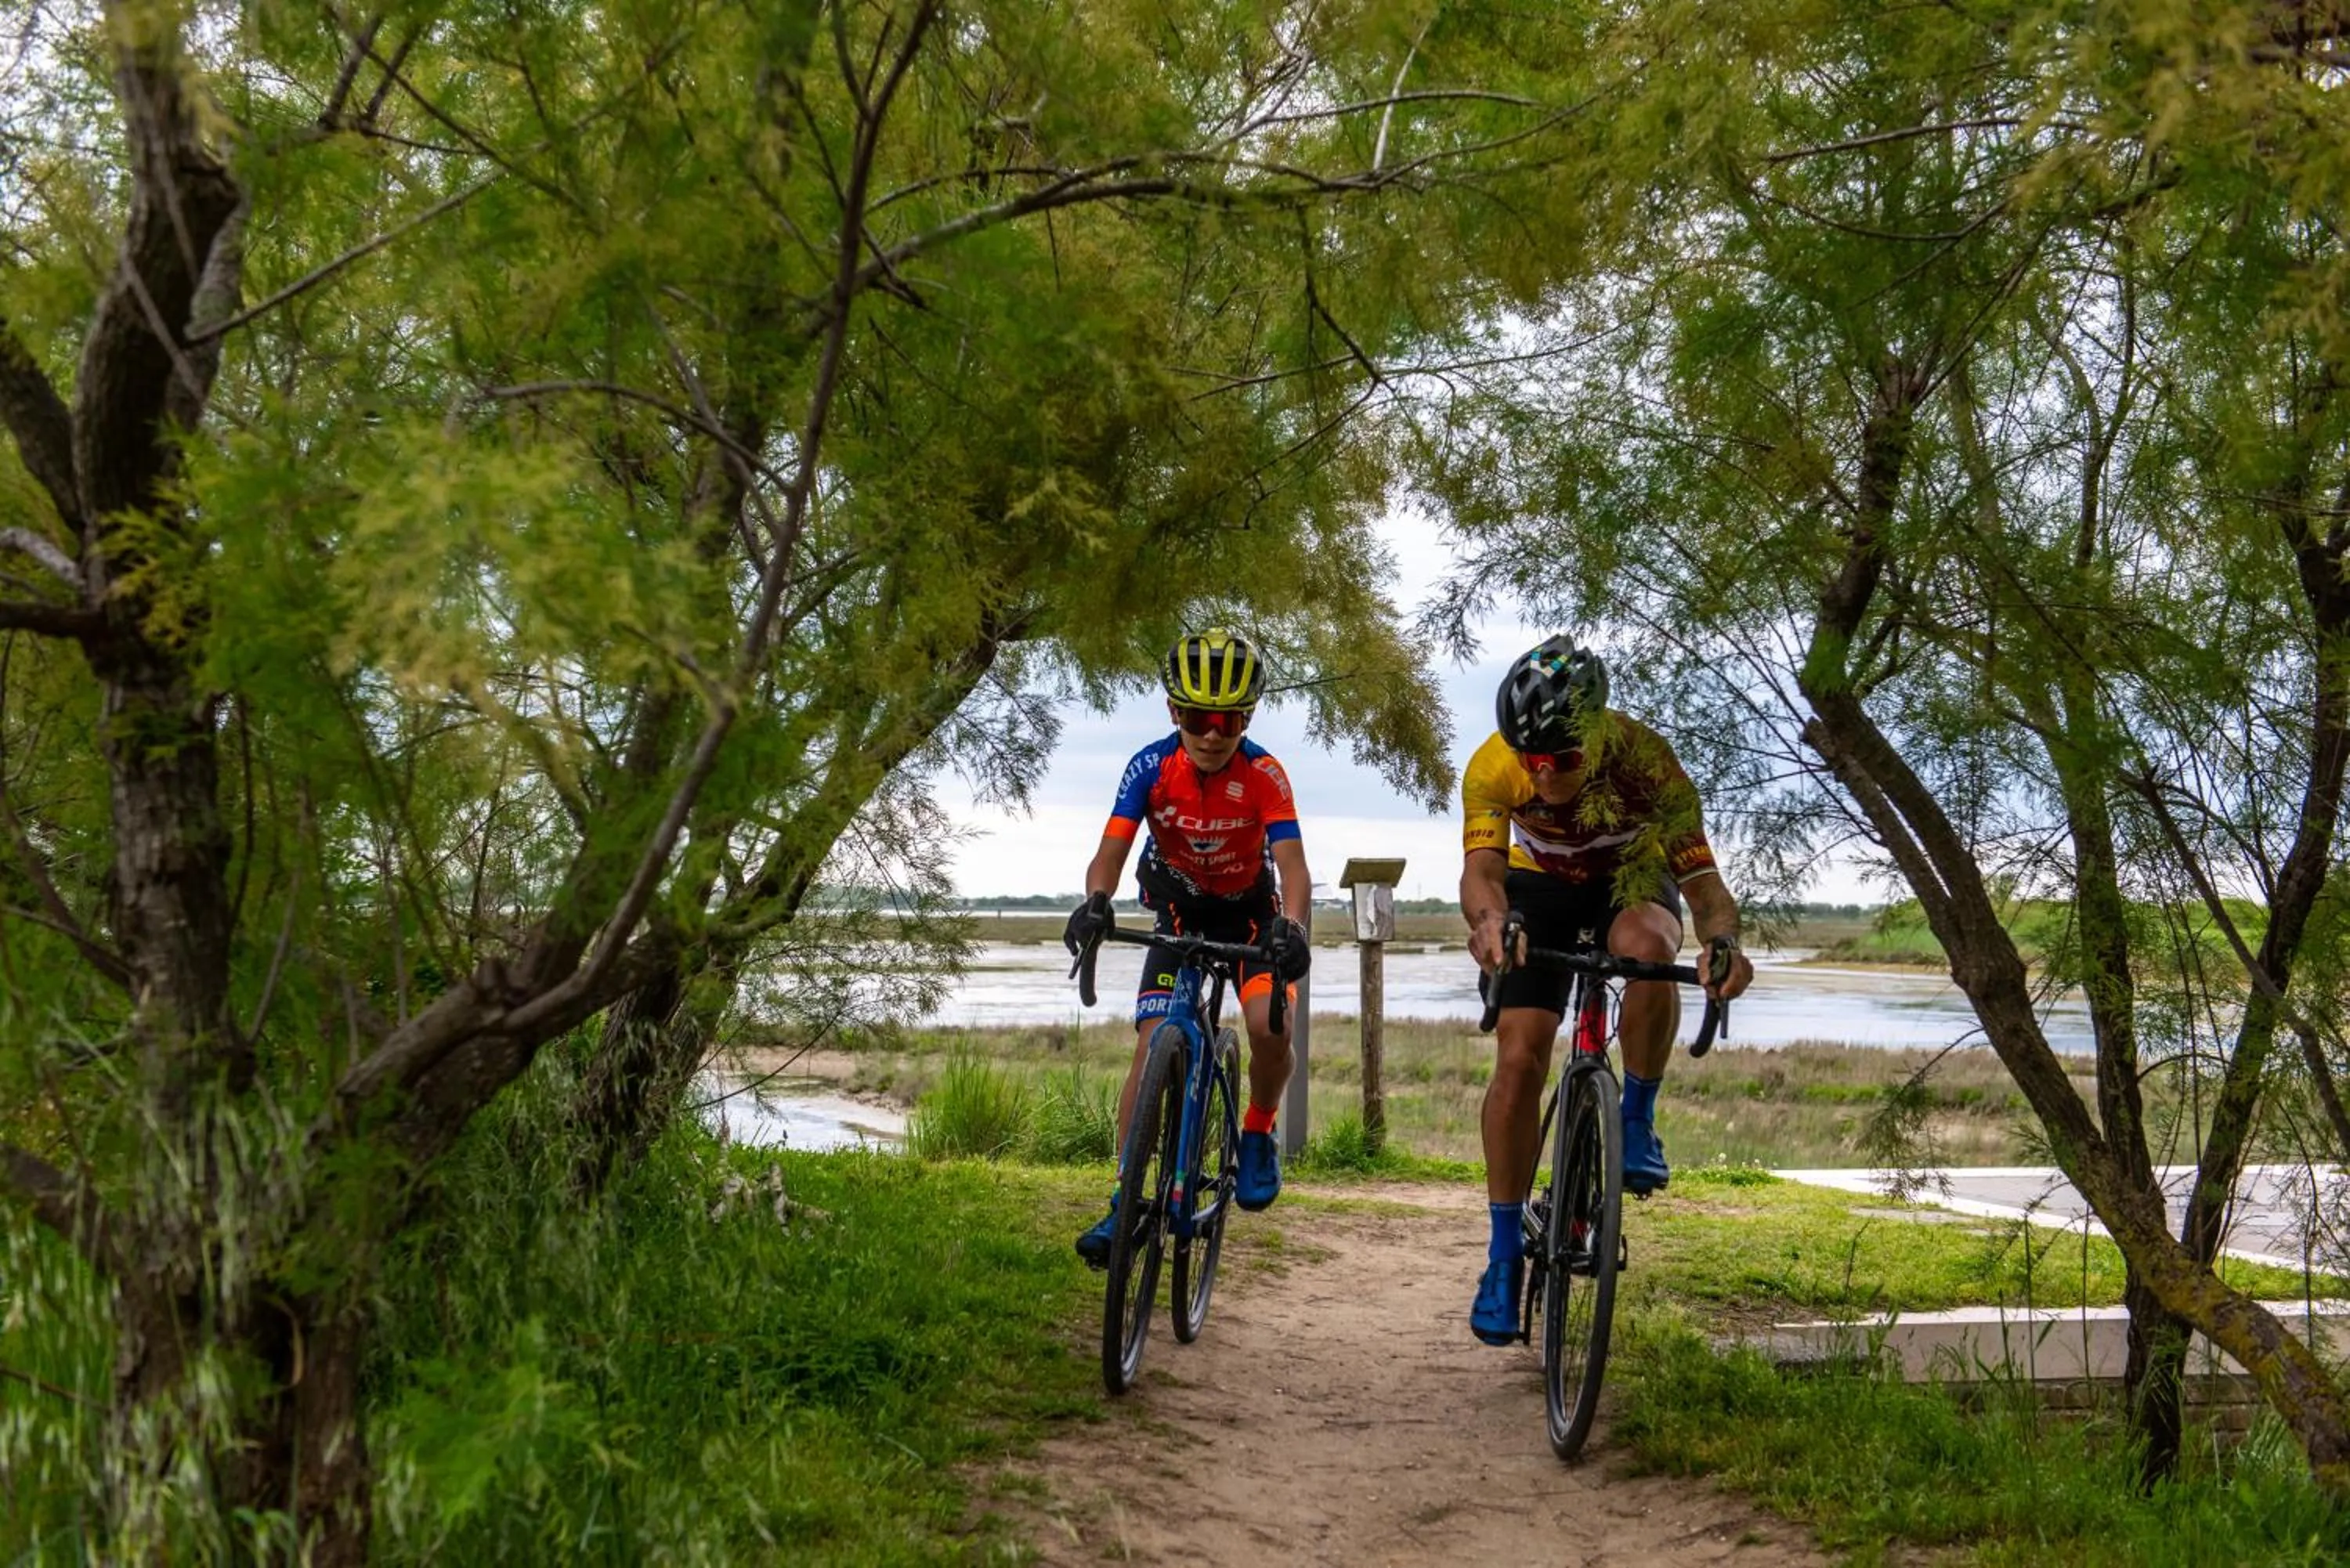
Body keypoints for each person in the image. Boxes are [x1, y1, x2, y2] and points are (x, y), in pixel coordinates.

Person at [1459, 634, 1754, 1344]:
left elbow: (1704, 887)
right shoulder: (1494, 767)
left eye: (1561, 760)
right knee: (1520, 1055)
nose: (1545, 774)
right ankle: (1502, 1257)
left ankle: (1637, 1117)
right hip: (1540, 886)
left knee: (1648, 948)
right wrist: (1491, 922)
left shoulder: (1646, 763)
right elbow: (1483, 873)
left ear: (1596, 737)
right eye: (1533, 759)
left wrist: (1724, 944)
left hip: (1629, 879)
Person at [1063, 628, 1314, 1267]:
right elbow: (1111, 850)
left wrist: (1298, 929)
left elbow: (1294, 869)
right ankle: (1125, 1199)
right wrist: (1096, 902)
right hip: (1177, 908)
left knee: (1267, 1026)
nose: (1210, 734)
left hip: (1251, 917)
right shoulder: (1150, 767)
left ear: (1245, 718)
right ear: (1175, 713)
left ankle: (1257, 1130)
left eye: (1225, 720)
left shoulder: (1264, 774)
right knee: (1152, 1046)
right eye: (1197, 718)